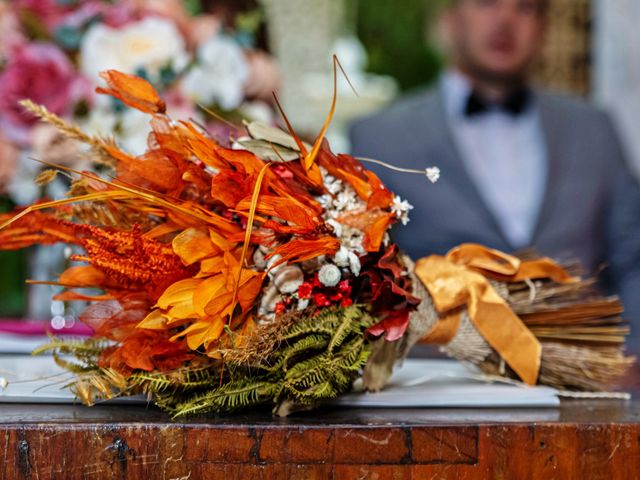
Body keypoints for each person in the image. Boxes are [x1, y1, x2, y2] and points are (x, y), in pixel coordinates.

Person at [349, 0, 640, 349]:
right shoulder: (379, 138)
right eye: (487, 3)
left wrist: (632, 357)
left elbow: (633, 258)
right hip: (436, 383)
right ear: (449, 17)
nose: (505, 20)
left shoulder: (594, 128)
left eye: (526, 8)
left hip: (587, 375)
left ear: (544, 29)